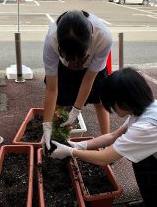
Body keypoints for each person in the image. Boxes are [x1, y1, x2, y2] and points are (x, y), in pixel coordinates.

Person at [50, 67, 157, 207]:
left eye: (112, 104)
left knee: (140, 160)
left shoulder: (150, 126)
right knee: (140, 156)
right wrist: (77, 146)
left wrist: (71, 153)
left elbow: (105, 158)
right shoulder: (147, 108)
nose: (112, 110)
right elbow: (113, 136)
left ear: (124, 101)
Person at [41, 10, 112, 150]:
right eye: (69, 57)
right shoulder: (51, 40)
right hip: (64, 69)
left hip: (92, 69)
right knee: (60, 101)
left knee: (100, 101)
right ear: (60, 46)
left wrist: (76, 110)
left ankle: (106, 142)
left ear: (91, 39)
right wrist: (46, 125)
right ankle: (54, 138)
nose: (76, 63)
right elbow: (52, 88)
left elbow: (89, 79)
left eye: (80, 57)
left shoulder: (103, 38)